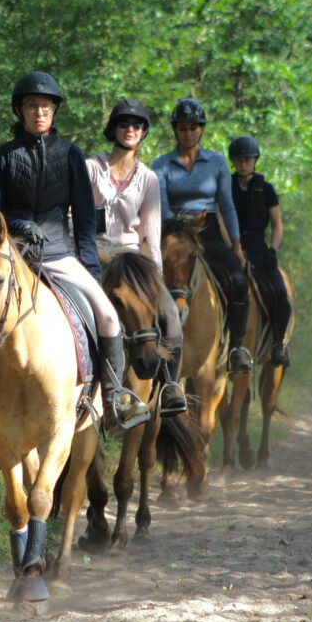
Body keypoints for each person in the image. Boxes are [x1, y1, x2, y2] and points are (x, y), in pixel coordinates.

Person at [0, 72, 150, 447]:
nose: (39, 112)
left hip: (60, 254)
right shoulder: (2, 156)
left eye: (45, 106)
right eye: (32, 106)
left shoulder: (71, 156)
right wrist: (18, 225)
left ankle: (114, 402)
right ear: (21, 110)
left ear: (54, 111)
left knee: (109, 316)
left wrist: (92, 274)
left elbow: (82, 219)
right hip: (9, 256)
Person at [85, 98, 187, 417]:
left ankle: (170, 386)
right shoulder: (90, 168)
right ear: (113, 129)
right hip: (96, 253)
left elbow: (151, 236)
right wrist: (91, 253)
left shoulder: (149, 178)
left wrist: (154, 280)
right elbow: (76, 218)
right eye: (125, 124)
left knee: (171, 317)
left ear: (143, 133)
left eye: (138, 125)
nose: (131, 129)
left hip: (131, 259)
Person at [151, 99, 252, 373]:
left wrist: (236, 244)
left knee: (239, 281)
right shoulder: (160, 165)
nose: (187, 133)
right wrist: (178, 227)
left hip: (206, 231)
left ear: (201, 130)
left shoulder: (217, 163)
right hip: (173, 233)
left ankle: (236, 348)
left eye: (193, 128)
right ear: (175, 131)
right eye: (182, 128)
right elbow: (161, 203)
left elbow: (227, 205)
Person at [229, 136, 292, 366]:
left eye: (247, 160)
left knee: (281, 296)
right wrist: (234, 249)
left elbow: (277, 225)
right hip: (233, 248)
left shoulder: (266, 189)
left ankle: (278, 345)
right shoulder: (226, 187)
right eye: (238, 160)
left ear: (255, 161)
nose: (243, 164)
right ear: (233, 162)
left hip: (259, 250)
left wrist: (273, 249)